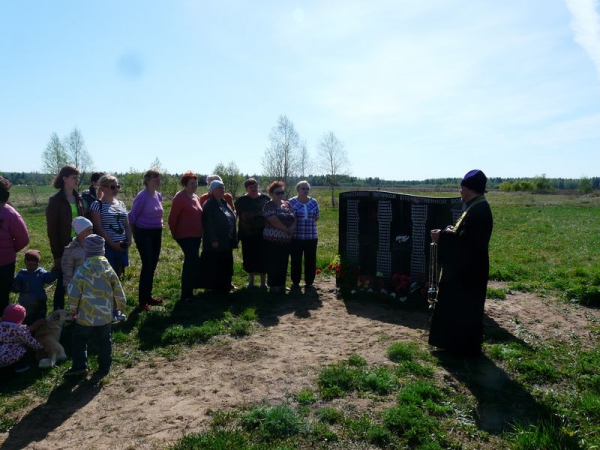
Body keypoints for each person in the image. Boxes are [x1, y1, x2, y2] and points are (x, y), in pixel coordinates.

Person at [428, 169, 494, 358]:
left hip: (467, 272)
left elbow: (467, 243)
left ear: (468, 188)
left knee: (463, 310)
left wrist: (442, 236)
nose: (459, 191)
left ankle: (459, 349)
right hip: (468, 269)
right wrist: (450, 231)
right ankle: (454, 346)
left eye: (461, 187)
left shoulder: (479, 210)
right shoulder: (476, 206)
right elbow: (464, 235)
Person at [65, 234, 126, 377]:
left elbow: (73, 291)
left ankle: (80, 366)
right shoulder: (108, 269)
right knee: (105, 340)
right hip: (105, 313)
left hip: (85, 314)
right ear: (102, 250)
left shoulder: (82, 269)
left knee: (79, 338)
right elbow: (118, 288)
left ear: (87, 251)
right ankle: (104, 367)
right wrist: (121, 306)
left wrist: (73, 309)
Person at [46, 165, 84, 310]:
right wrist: (57, 255)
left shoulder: (78, 198)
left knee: (80, 280)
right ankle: (58, 314)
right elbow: (52, 231)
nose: (77, 180)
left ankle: (77, 312)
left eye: (77, 177)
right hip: (64, 247)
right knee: (63, 282)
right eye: (74, 177)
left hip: (80, 245)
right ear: (65, 179)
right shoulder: (55, 201)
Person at [128, 169, 164, 310]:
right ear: (148, 180)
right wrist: (135, 235)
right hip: (144, 233)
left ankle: (148, 296)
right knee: (147, 264)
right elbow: (132, 217)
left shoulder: (158, 196)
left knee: (153, 265)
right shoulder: (141, 197)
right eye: (156, 178)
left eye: (159, 178)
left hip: (157, 232)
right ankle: (143, 301)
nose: (158, 181)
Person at [168, 171, 203, 302]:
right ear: (185, 184)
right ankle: (186, 294)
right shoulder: (179, 197)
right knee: (191, 260)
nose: (195, 185)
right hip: (185, 236)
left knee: (193, 262)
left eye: (196, 183)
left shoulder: (195, 197)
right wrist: (174, 233)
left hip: (196, 235)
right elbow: (172, 218)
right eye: (192, 183)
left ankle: (190, 291)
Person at [89, 174, 132, 279]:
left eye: (118, 186)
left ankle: (117, 295)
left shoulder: (121, 204)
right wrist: (112, 244)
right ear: (103, 188)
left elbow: (126, 224)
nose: (116, 189)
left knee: (119, 275)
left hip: (122, 245)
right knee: (107, 276)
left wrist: (129, 241)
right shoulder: (97, 205)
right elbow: (99, 228)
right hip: (107, 247)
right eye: (112, 187)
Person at [199, 180, 238, 292]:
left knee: (226, 262)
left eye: (223, 187)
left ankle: (225, 284)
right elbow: (208, 223)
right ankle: (213, 288)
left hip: (227, 239)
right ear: (213, 191)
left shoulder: (224, 202)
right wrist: (213, 239)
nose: (222, 190)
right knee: (215, 263)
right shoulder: (209, 204)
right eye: (219, 188)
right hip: (216, 240)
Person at [0, 176, 29, 312]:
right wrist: (10, 250)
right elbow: (23, 239)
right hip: (5, 263)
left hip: (4, 264)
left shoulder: (9, 214)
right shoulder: (10, 213)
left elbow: (23, 239)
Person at [234, 178, 270, 289]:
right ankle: (251, 282)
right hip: (247, 235)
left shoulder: (265, 199)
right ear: (246, 189)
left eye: (255, 186)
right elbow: (235, 216)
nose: (253, 189)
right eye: (251, 187)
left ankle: (263, 283)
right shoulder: (241, 201)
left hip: (263, 234)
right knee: (249, 257)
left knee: (263, 257)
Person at [263, 181, 296, 293]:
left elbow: (294, 216)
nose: (280, 195)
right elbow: (273, 221)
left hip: (286, 240)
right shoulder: (269, 205)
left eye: (282, 192)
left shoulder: (287, 204)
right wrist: (287, 230)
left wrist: (292, 227)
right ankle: (273, 285)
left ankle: (281, 284)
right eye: (277, 193)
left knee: (283, 262)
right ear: (271, 193)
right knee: (273, 262)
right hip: (272, 240)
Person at [12, 249, 59, 325]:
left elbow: (50, 278)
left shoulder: (41, 273)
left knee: (40, 320)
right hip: (26, 303)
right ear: (25, 263)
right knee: (27, 321)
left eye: (35, 265)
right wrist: (15, 286)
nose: (32, 267)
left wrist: (55, 270)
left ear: (38, 264)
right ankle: (27, 334)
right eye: (29, 265)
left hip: (39, 302)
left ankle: (39, 335)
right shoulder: (22, 274)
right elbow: (16, 285)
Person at [289, 180, 320, 290]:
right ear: (298, 190)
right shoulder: (291, 202)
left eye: (307, 188)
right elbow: (289, 218)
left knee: (310, 260)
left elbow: (316, 217)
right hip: (296, 237)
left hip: (311, 237)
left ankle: (309, 282)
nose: (305, 190)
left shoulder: (313, 202)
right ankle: (296, 282)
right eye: (303, 188)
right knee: (296, 260)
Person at [0, 304, 43, 378]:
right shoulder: (20, 330)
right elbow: (30, 341)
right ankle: (20, 367)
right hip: (6, 359)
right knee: (23, 348)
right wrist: (40, 347)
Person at [61, 216, 94, 290]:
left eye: (92, 229)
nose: (91, 232)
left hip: (93, 284)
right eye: (88, 230)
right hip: (78, 285)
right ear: (80, 232)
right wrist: (68, 286)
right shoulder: (71, 249)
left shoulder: (94, 246)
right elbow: (67, 268)